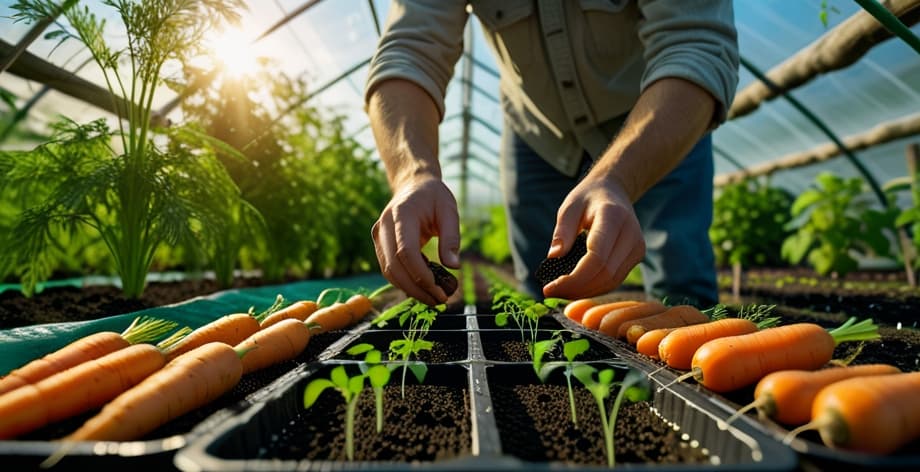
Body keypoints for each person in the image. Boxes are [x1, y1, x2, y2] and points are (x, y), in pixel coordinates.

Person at [365, 0, 739, 308]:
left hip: (656, 121)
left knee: (683, 280)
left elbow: (696, 44)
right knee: (546, 290)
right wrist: (413, 175)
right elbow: (409, 51)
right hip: (536, 134)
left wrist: (618, 178)